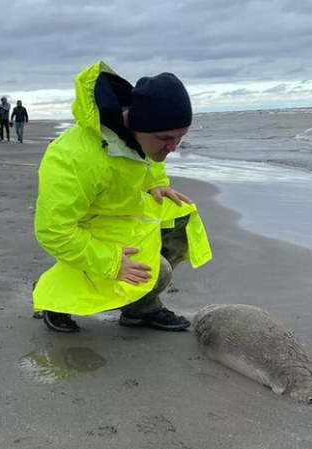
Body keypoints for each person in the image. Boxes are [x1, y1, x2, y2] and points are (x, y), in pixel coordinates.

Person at [32, 61, 212, 333]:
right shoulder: (72, 157)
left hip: (122, 211)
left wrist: (156, 183)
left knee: (181, 214)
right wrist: (112, 262)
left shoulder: (141, 135)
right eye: (166, 138)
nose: (173, 148)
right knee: (158, 272)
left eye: (180, 137)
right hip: (89, 225)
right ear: (138, 126)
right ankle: (58, 301)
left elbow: (149, 159)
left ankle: (140, 308)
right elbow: (54, 231)